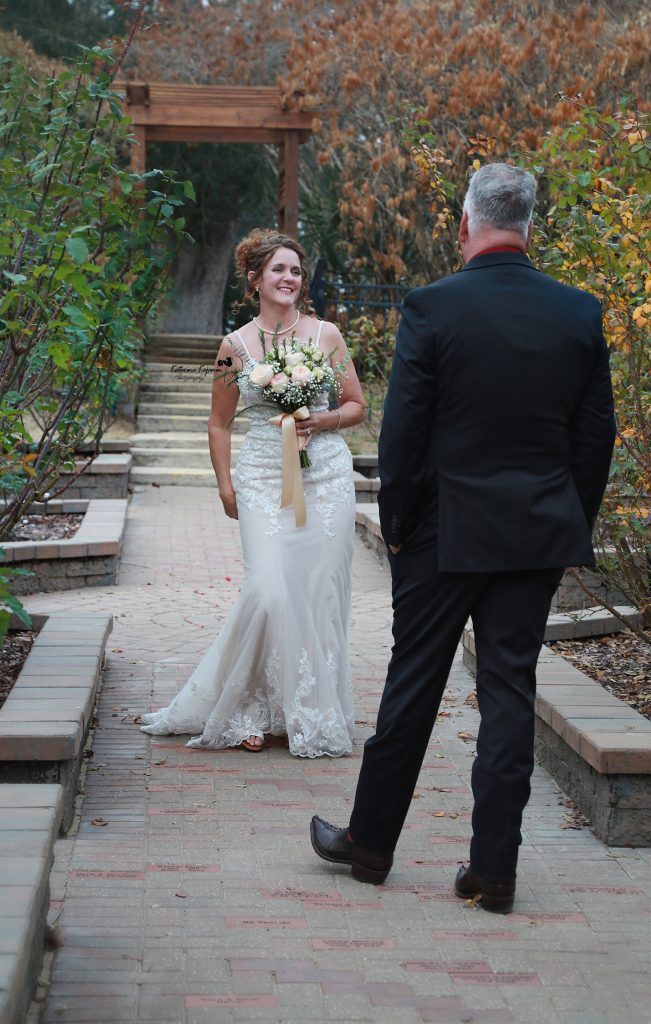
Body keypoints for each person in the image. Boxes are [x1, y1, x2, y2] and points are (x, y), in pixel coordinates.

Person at [310, 163, 616, 909]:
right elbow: (594, 438)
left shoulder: (433, 307)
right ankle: (495, 870)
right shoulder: (578, 313)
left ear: (464, 223)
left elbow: (405, 431)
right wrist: (562, 516)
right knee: (509, 693)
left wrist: (399, 526)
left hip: (444, 533)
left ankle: (371, 844)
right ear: (530, 225)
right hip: (536, 532)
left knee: (411, 687)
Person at [141, 228, 366, 757]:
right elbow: (219, 424)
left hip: (326, 477)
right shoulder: (232, 348)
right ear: (255, 279)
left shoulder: (326, 336)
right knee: (269, 590)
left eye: (295, 271)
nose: (289, 279)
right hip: (264, 476)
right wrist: (224, 483)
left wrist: (324, 419)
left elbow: (357, 404)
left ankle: (306, 706)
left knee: (320, 593)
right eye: (279, 270)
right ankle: (245, 705)